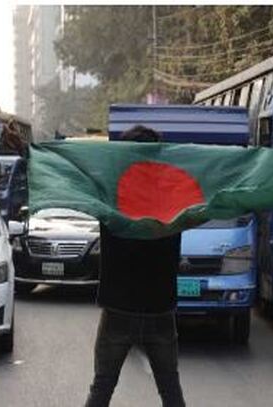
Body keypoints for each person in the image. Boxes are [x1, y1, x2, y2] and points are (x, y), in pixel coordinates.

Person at [85, 125, 186, 407]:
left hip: (117, 310)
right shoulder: (175, 198)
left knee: (102, 387)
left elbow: (70, 177)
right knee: (170, 390)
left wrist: (25, 151)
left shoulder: (110, 195)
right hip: (160, 310)